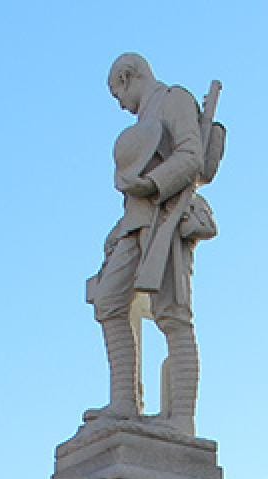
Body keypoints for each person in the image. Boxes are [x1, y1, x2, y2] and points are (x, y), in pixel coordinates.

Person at [85, 52, 204, 436]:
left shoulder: (175, 100)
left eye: (117, 93)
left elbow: (192, 156)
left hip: (168, 217)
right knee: (108, 299)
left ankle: (182, 419)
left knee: (172, 313)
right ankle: (125, 402)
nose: (120, 104)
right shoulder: (143, 120)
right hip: (136, 221)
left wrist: (154, 184)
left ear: (128, 76)